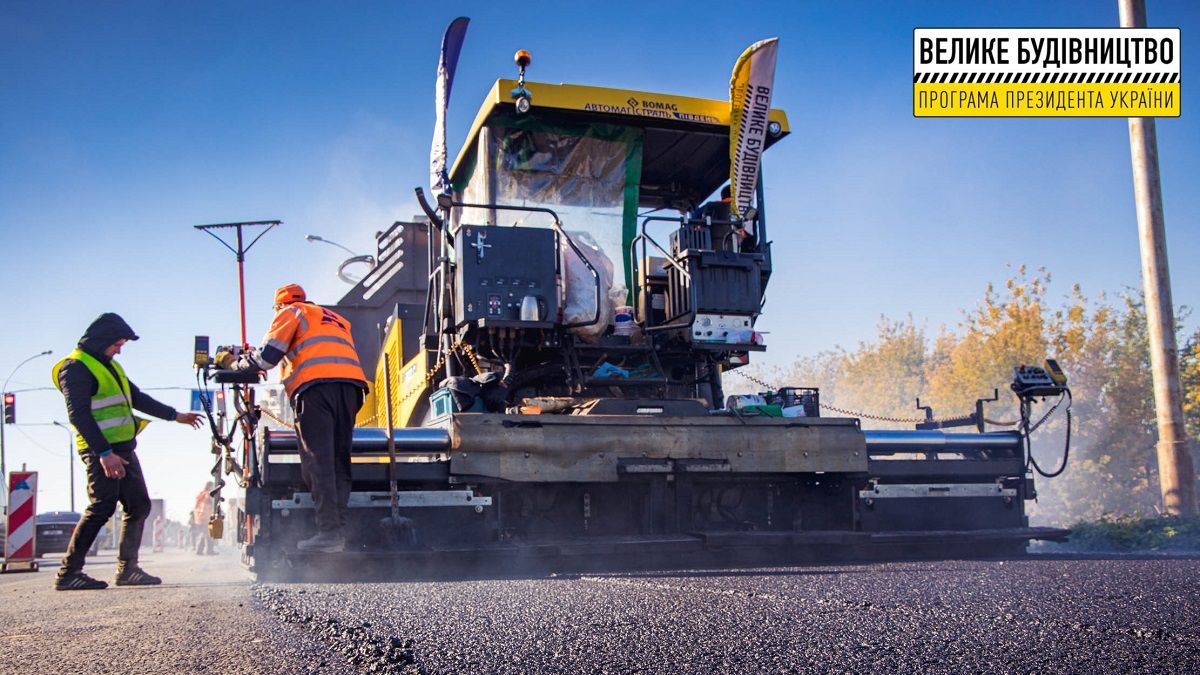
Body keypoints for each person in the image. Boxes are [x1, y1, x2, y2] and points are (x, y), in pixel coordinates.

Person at [52, 313, 203, 590]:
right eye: (117, 344)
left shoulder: (109, 365)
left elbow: (136, 398)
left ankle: (127, 570)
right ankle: (68, 573)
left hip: (122, 447)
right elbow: (79, 416)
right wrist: (104, 453)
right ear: (101, 341)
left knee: (139, 505)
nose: (119, 350)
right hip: (102, 451)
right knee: (102, 506)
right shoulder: (75, 368)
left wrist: (175, 416)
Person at [223, 284, 368, 553]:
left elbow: (267, 358)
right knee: (338, 458)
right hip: (351, 388)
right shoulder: (332, 317)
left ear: (279, 305)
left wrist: (234, 363)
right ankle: (338, 530)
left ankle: (329, 532)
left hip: (315, 388)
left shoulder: (291, 312)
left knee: (318, 459)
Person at [193, 481, 216, 555]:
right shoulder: (208, 494)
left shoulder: (201, 494)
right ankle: (209, 551)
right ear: (210, 486)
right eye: (212, 486)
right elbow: (210, 503)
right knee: (209, 534)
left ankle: (199, 551)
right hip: (205, 517)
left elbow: (196, 506)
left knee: (204, 534)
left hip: (199, 518)